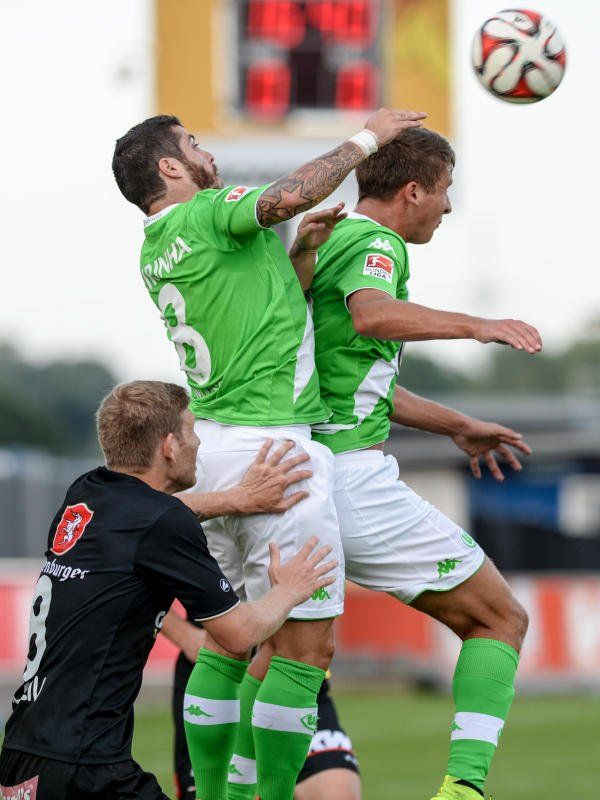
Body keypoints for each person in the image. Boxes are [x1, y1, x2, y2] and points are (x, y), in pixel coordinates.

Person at [112, 107, 426, 800]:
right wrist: (369, 137)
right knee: (305, 652)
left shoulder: (156, 245)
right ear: (170, 167)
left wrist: (300, 255)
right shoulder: (208, 211)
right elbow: (289, 195)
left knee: (229, 643)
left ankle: (218, 793)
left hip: (216, 447)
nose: (207, 153)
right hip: (275, 446)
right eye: (193, 145)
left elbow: (256, 311)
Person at [308, 128, 541, 800]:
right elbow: (374, 317)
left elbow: (355, 378)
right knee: (499, 619)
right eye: (444, 191)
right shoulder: (375, 244)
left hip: (297, 471)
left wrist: (457, 425)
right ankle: (463, 791)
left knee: (282, 657)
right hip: (351, 481)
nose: (448, 206)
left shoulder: (325, 242)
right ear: (413, 191)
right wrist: (477, 325)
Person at [0, 381, 336, 800]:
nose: (199, 442)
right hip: (84, 771)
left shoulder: (84, 494)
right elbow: (238, 635)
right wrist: (289, 590)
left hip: (21, 759)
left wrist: (237, 499)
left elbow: (156, 515)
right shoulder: (161, 523)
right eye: (191, 431)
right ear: (170, 446)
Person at [161, 612, 361, 800]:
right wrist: (185, 635)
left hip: (296, 684)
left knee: (338, 792)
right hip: (217, 685)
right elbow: (146, 585)